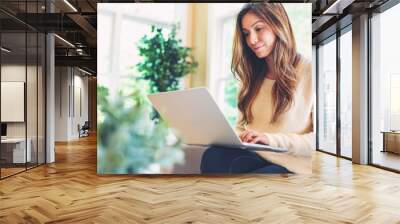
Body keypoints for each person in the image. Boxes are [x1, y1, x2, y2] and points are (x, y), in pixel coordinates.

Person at [200, 3, 314, 174]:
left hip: (291, 161)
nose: (252, 40)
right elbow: (241, 126)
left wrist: (270, 139)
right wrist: (238, 136)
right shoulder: (251, 78)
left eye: (259, 29)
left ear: (279, 26)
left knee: (253, 179)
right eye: (246, 33)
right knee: (213, 155)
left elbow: (320, 141)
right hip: (256, 154)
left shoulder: (310, 71)